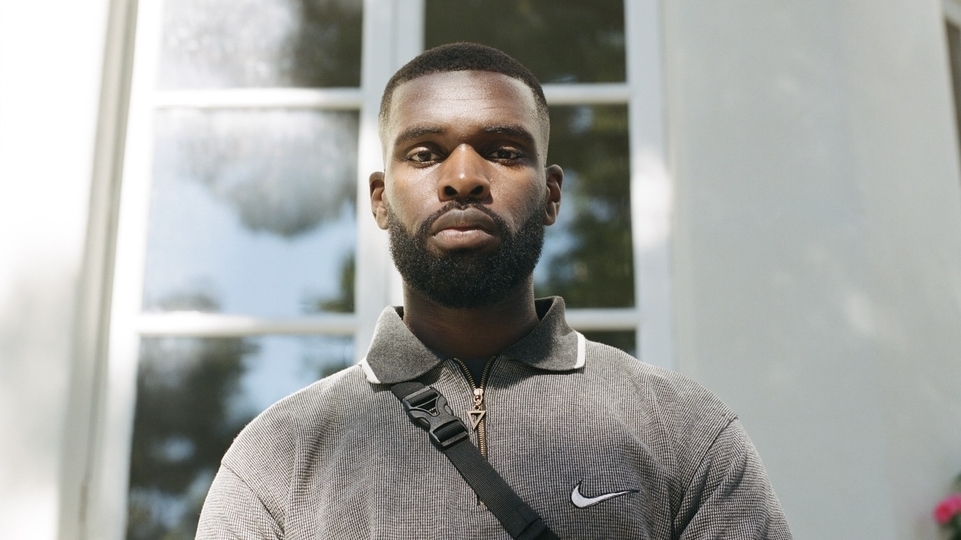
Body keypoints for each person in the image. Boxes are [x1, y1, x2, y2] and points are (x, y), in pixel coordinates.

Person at [196, 42, 792, 539]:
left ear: (552, 194)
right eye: (425, 154)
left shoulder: (684, 430)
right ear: (380, 198)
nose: (462, 179)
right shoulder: (277, 456)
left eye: (504, 152)